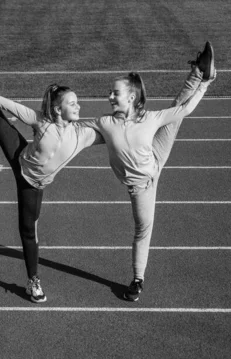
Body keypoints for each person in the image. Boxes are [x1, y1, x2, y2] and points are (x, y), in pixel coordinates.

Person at [0, 37, 104, 303]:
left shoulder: (82, 134)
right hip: (21, 164)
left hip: (37, 183)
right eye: (73, 103)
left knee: (30, 229)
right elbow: (8, 106)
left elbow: (110, 131)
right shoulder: (42, 122)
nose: (79, 106)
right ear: (58, 109)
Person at [81, 42, 217, 301]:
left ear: (131, 97)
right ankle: (200, 72)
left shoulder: (151, 118)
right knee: (142, 227)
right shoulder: (105, 123)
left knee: (143, 230)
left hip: (153, 165)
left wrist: (206, 85)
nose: (109, 96)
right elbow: (75, 131)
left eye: (115, 93)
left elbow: (185, 109)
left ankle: (137, 279)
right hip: (140, 184)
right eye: (110, 93)